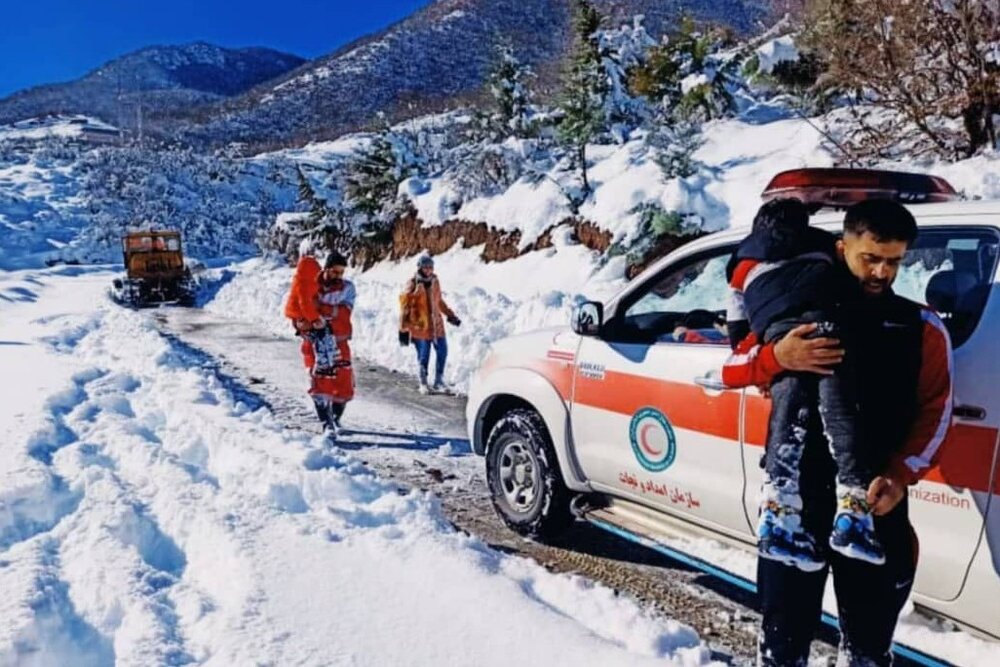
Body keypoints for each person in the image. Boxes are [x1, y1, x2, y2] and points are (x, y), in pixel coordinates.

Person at [723, 199, 954, 667]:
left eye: (894, 261)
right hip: (797, 503)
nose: (882, 272)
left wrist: (900, 475)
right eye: (871, 258)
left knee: (868, 651)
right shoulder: (797, 308)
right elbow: (731, 367)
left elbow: (938, 409)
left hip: (873, 499)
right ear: (841, 247)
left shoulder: (919, 326)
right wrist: (775, 358)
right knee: (782, 645)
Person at [727, 199, 878, 571]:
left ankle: (777, 517)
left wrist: (771, 355)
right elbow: (846, 289)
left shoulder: (740, 261)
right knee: (841, 414)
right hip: (826, 327)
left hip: (776, 333)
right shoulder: (825, 243)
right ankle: (854, 512)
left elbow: (736, 337)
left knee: (788, 407)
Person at [398, 255, 461, 394]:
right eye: (425, 267)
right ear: (420, 267)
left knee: (443, 351)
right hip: (420, 326)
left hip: (436, 325)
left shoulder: (435, 281)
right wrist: (402, 329)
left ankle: (439, 380)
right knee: (423, 355)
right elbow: (405, 306)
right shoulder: (412, 283)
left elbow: (439, 301)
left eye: (430, 267)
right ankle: (423, 382)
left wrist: (450, 315)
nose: (428, 270)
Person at [284, 254, 338, 377]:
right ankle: (321, 363)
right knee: (319, 333)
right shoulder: (304, 283)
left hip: (304, 316)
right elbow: (305, 304)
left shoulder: (308, 281)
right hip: (300, 318)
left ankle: (327, 359)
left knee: (323, 331)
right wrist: (314, 319)